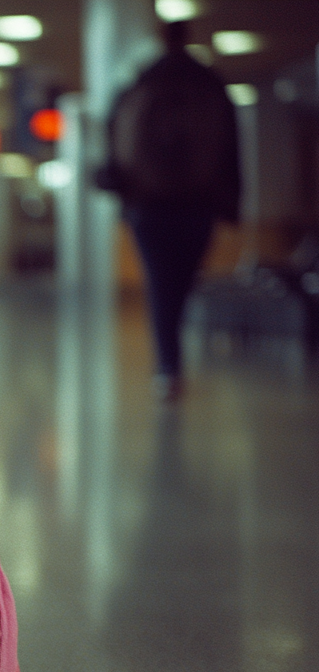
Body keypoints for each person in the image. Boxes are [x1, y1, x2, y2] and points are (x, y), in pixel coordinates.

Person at [97, 19, 240, 400]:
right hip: (199, 202)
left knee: (160, 283)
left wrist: (119, 189)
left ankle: (168, 367)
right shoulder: (210, 84)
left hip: (149, 204)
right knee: (184, 282)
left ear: (160, 39)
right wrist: (232, 203)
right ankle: (174, 358)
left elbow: (112, 138)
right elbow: (231, 146)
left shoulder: (139, 82)